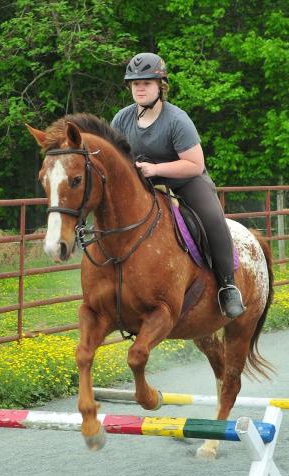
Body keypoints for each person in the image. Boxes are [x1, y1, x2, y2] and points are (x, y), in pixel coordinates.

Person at [111, 52, 245, 319]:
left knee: (212, 218)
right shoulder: (121, 119)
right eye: (135, 83)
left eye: (147, 82)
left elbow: (194, 164)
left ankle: (228, 286)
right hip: (142, 185)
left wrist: (156, 169)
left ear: (161, 86)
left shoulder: (177, 120)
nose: (140, 87)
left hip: (186, 181)